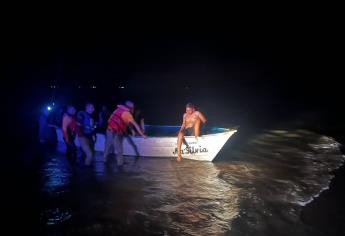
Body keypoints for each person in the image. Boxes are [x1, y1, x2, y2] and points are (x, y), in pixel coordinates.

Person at [104, 100, 147, 166]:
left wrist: (132, 131)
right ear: (130, 108)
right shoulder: (127, 114)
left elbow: (114, 120)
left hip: (109, 130)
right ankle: (119, 165)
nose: (133, 109)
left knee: (109, 147)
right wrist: (142, 135)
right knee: (118, 150)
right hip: (114, 133)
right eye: (132, 107)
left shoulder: (117, 110)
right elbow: (136, 125)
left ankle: (106, 161)